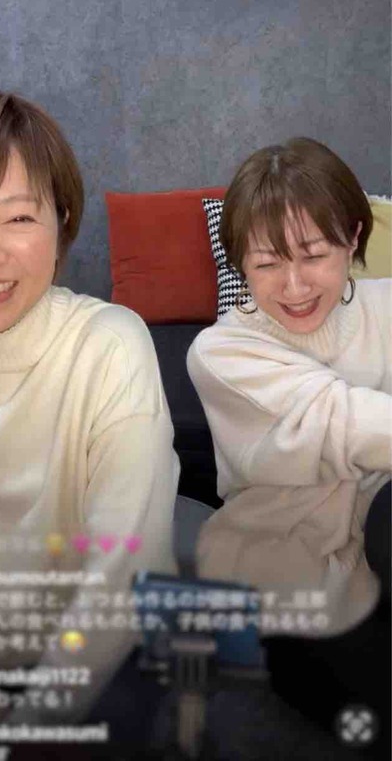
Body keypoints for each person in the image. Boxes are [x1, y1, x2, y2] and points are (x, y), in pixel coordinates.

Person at [0, 85, 179, 738]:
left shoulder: (110, 344)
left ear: (60, 226)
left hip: (100, 649)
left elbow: (124, 566)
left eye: (18, 218)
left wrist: (33, 724)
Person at [187, 138, 391, 756]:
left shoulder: (386, 304)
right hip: (292, 573)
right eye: (268, 263)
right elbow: (343, 423)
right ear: (241, 266)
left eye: (314, 255)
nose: (295, 285)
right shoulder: (220, 353)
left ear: (353, 238)